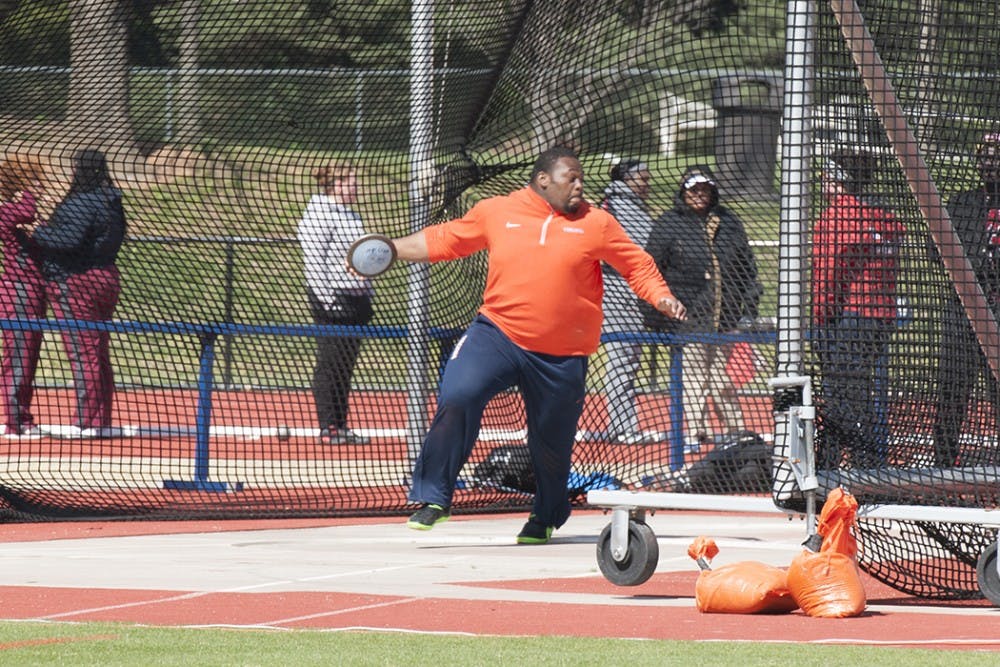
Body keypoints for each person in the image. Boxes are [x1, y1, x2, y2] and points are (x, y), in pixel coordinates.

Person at [380, 146, 686, 543]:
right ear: (543, 180)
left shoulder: (597, 222)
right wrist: (388, 249)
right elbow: (446, 239)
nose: (579, 186)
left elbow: (636, 265)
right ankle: (434, 497)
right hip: (498, 333)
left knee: (551, 443)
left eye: (581, 179)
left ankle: (545, 515)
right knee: (459, 393)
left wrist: (659, 295)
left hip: (562, 353)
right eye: (570, 179)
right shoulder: (497, 211)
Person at [642, 166, 761, 452]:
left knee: (721, 381)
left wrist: (750, 303)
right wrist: (656, 313)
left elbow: (746, 265)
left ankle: (737, 434)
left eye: (705, 189)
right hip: (687, 318)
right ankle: (695, 433)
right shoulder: (668, 224)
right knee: (694, 378)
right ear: (683, 192)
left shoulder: (729, 222)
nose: (700, 195)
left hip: (724, 317)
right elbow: (651, 268)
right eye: (694, 190)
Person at [20, 149, 126, 438]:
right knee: (97, 352)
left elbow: (69, 239)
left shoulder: (84, 200)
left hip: (78, 282)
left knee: (85, 352)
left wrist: (38, 231)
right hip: (105, 277)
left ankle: (89, 422)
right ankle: (99, 419)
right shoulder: (111, 199)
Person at [810, 149, 905, 468]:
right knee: (857, 393)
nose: (824, 183)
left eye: (828, 178)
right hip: (882, 316)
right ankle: (860, 463)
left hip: (849, 318)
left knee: (841, 396)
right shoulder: (885, 215)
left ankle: (841, 467)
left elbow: (828, 274)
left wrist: (820, 318)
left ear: (838, 180)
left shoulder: (840, 215)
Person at [933, 132, 1000, 467]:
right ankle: (943, 457)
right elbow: (936, 252)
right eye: (985, 156)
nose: (990, 163)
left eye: (996, 156)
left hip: (998, 309)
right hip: (963, 309)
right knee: (953, 386)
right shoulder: (962, 204)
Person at [297, 162, 374, 445]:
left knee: (346, 364)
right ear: (336, 184)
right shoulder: (319, 214)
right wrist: (328, 301)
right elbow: (314, 262)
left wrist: (367, 291)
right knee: (330, 362)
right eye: (351, 181)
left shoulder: (352, 215)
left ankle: (341, 425)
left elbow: (361, 258)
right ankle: (328, 426)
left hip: (356, 299)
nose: (355, 187)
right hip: (332, 300)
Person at [599, 159, 658, 444]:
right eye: (642, 180)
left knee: (626, 359)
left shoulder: (623, 202)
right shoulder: (621, 204)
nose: (647, 185)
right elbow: (644, 248)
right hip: (620, 291)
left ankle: (621, 424)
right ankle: (624, 427)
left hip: (624, 290)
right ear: (627, 180)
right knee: (623, 359)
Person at [0, 154, 49, 439]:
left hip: (34, 291)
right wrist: (30, 192)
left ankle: (23, 417)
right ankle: (15, 422)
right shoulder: (8, 210)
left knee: (29, 357)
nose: (41, 185)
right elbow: (26, 212)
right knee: (18, 356)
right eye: (34, 179)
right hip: (17, 292)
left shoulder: (26, 211)